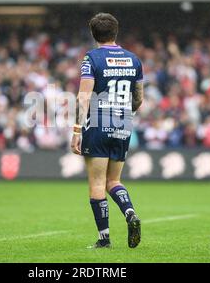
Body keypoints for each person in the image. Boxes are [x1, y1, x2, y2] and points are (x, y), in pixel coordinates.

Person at [71, 13, 143, 249]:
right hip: (123, 125)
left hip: (99, 124)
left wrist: (76, 129)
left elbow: (84, 97)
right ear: (116, 32)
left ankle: (104, 239)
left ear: (94, 35)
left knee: (98, 183)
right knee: (114, 180)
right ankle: (130, 213)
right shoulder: (134, 60)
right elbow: (138, 98)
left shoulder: (91, 58)